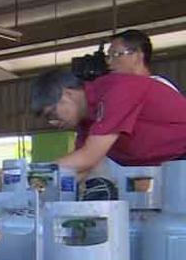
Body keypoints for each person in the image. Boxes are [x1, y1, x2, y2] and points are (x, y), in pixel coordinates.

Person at [30, 69, 186, 179]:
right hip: (169, 167)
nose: (53, 122)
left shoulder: (117, 90)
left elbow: (88, 158)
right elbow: (80, 170)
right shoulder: (86, 124)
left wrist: (33, 174)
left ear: (67, 94)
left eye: (52, 113)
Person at [107, 29, 180, 91]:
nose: (109, 62)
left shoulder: (160, 87)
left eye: (115, 54)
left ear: (137, 55)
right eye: (108, 56)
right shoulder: (119, 90)